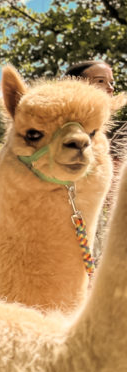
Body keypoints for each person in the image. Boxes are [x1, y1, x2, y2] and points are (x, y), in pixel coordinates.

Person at [65, 59, 123, 262]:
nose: (110, 88)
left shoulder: (103, 134)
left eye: (111, 82)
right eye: (100, 81)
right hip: (66, 229)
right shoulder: (64, 132)